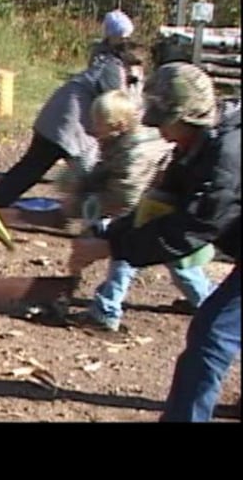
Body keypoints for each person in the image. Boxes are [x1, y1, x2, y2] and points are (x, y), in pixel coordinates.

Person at [69, 62, 240, 422]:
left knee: (212, 336)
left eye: (165, 123)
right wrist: (107, 234)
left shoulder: (226, 156)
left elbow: (192, 226)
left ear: (189, 117)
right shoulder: (197, 144)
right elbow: (160, 205)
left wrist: (114, 249)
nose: (160, 133)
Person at [61, 89, 214, 332]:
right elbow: (107, 173)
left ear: (118, 125)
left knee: (128, 257)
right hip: (147, 210)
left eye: (99, 125)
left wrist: (93, 208)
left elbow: (126, 195)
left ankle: (106, 311)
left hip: (148, 212)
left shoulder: (135, 150)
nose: (93, 129)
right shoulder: (116, 143)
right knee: (181, 265)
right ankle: (205, 300)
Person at [0, 48, 143, 210]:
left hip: (59, 120)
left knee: (31, 168)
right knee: (88, 178)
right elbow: (115, 105)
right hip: (70, 124)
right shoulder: (113, 71)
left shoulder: (105, 66)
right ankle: (87, 218)